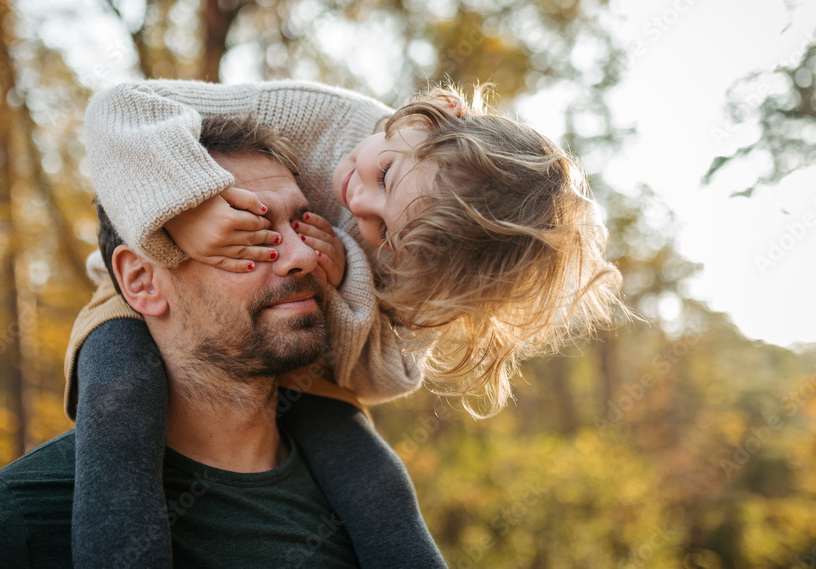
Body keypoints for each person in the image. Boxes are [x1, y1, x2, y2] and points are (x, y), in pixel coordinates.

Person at [69, 80, 622, 567]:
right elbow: (125, 107)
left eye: (381, 228)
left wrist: (345, 283)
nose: (358, 200)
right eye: (385, 173)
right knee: (120, 395)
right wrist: (191, 207)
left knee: (373, 481)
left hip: (302, 344)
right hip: (150, 291)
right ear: (442, 113)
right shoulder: (312, 114)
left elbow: (385, 377)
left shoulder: (426, 261)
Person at [0, 116, 443, 568]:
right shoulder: (6, 532)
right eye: (251, 233)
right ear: (142, 282)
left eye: (302, 222)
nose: (301, 255)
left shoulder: (366, 510)